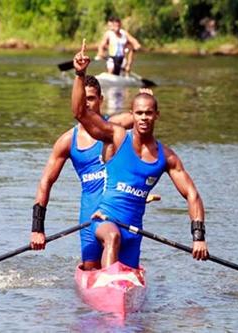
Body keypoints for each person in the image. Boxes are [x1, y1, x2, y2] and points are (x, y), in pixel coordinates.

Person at [72, 41, 208, 269]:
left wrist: (199, 237)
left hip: (134, 233)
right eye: (139, 113)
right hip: (105, 222)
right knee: (113, 238)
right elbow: (80, 113)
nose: (144, 118)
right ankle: (107, 285)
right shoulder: (117, 137)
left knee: (129, 274)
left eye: (148, 113)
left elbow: (192, 194)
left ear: (157, 116)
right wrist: (79, 74)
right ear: (132, 115)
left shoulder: (168, 157)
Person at [30, 75, 159, 270]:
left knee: (122, 263)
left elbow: (142, 117)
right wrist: (37, 229)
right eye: (83, 99)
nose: (86, 103)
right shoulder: (66, 141)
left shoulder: (116, 127)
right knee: (91, 268)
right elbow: (46, 182)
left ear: (101, 100)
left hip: (119, 213)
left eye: (90, 98)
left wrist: (144, 97)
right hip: (89, 214)